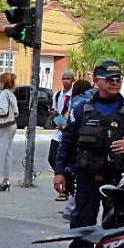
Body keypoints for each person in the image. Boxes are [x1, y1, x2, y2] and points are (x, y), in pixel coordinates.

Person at [53, 60, 124, 248]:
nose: (114, 83)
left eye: (118, 79)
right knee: (82, 226)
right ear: (96, 81)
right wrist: (59, 172)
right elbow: (66, 142)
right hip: (86, 179)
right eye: (109, 79)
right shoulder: (80, 108)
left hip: (117, 181)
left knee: (120, 230)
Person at [60, 78, 93, 221]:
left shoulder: (76, 102)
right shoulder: (91, 101)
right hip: (85, 145)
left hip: (72, 143)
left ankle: (71, 207)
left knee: (75, 175)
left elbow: (63, 121)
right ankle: (73, 206)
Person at [48, 70, 76, 200]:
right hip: (58, 131)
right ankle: (63, 180)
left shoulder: (74, 97)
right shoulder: (57, 95)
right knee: (52, 158)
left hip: (67, 131)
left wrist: (62, 120)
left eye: (68, 79)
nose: (65, 81)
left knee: (66, 161)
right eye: (63, 78)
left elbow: (70, 115)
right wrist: (55, 115)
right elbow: (56, 111)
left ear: (72, 80)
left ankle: (66, 189)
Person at [0, 72, 19, 191]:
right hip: (12, 125)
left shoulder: (3, 95)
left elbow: (3, 110)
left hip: (3, 126)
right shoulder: (11, 94)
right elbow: (16, 111)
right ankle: (6, 179)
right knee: (7, 153)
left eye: (0, 82)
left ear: (3, 83)